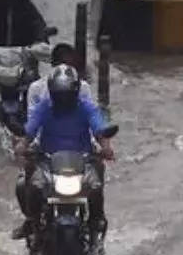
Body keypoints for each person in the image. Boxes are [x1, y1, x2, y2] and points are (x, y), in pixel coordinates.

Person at [13, 65, 113, 240]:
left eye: (66, 94)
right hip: (48, 160)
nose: (63, 98)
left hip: (83, 160)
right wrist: (22, 145)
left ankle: (96, 218)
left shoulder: (86, 107)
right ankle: (32, 221)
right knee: (29, 184)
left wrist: (106, 146)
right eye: (59, 94)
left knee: (96, 184)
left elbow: (99, 129)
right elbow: (30, 130)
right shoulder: (44, 106)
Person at [27, 44, 94, 110]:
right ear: (53, 64)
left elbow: (90, 114)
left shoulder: (83, 87)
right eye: (61, 64)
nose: (64, 69)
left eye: (68, 66)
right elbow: (33, 116)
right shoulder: (36, 87)